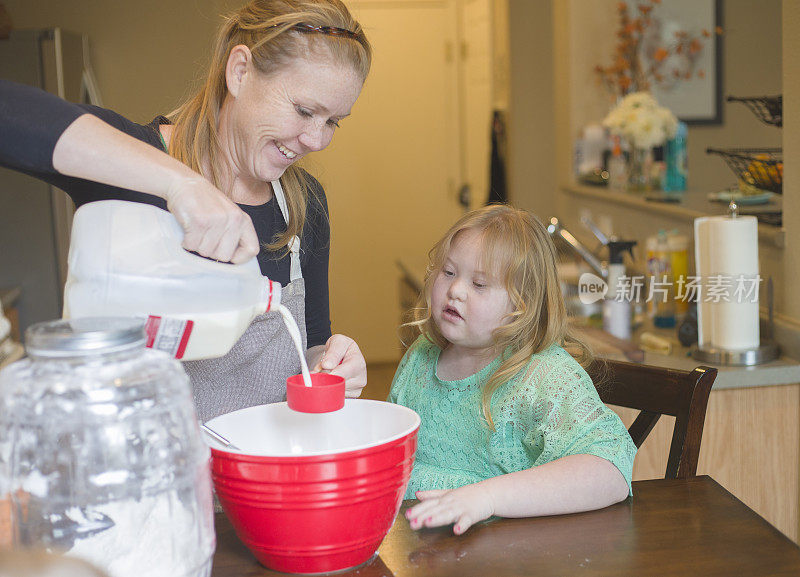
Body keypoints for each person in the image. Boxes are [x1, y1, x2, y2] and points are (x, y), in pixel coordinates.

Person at [0, 0, 371, 422]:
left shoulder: (305, 204)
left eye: (333, 121)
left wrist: (334, 361)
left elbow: (310, 345)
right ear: (240, 71)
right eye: (304, 111)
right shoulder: (132, 167)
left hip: (261, 484)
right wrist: (180, 182)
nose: (317, 140)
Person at [389, 205, 637, 535]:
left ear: (522, 306)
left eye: (479, 284)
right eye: (448, 272)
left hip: (503, 552)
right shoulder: (422, 355)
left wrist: (486, 497)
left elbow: (611, 470)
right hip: (419, 545)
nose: (455, 290)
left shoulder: (543, 375)